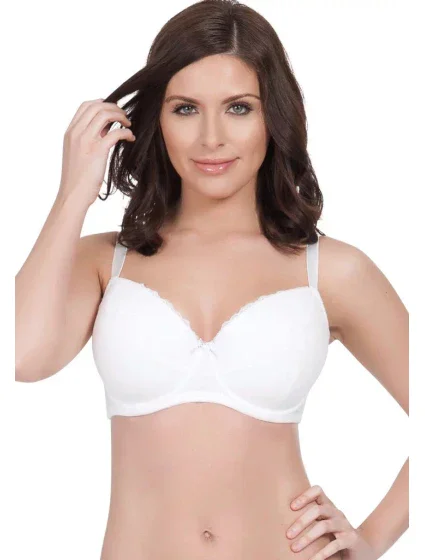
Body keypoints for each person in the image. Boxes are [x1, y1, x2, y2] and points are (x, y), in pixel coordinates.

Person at [15, 1, 408, 559]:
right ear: (155, 120)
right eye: (185, 109)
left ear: (274, 116)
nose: (211, 138)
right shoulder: (105, 261)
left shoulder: (333, 271)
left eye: (239, 108)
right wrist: (73, 192)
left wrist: (372, 538)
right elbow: (22, 356)